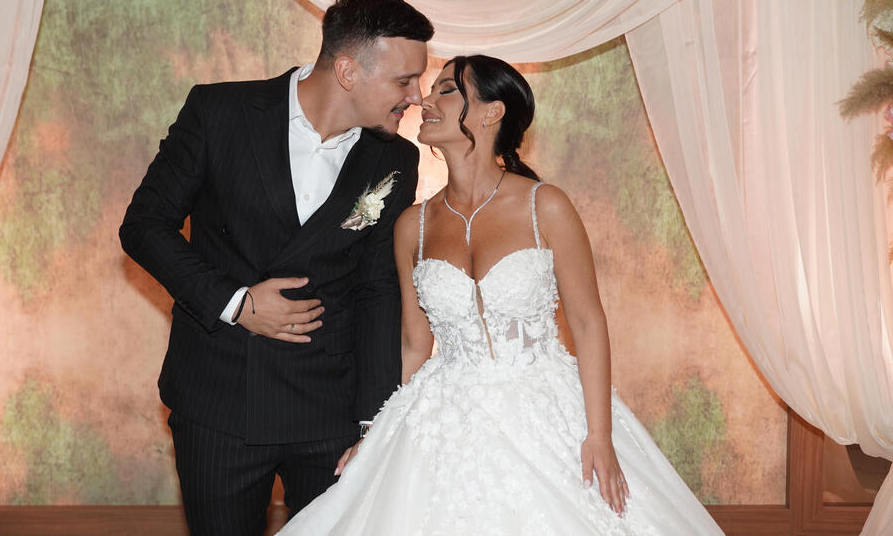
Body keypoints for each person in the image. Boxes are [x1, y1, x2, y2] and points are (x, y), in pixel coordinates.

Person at [280, 55, 724, 534]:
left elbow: (588, 323)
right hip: (444, 415)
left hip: (545, 408)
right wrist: (377, 433)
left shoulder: (545, 205)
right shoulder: (413, 225)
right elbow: (413, 345)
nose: (425, 101)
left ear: (492, 112)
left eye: (446, 90)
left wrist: (599, 435)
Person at [119, 0, 433, 535]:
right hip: (219, 399)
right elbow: (144, 225)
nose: (417, 96)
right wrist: (236, 303)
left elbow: (376, 289)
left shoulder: (396, 158)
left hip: (332, 408)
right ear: (348, 71)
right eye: (404, 81)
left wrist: (373, 422)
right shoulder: (219, 112)